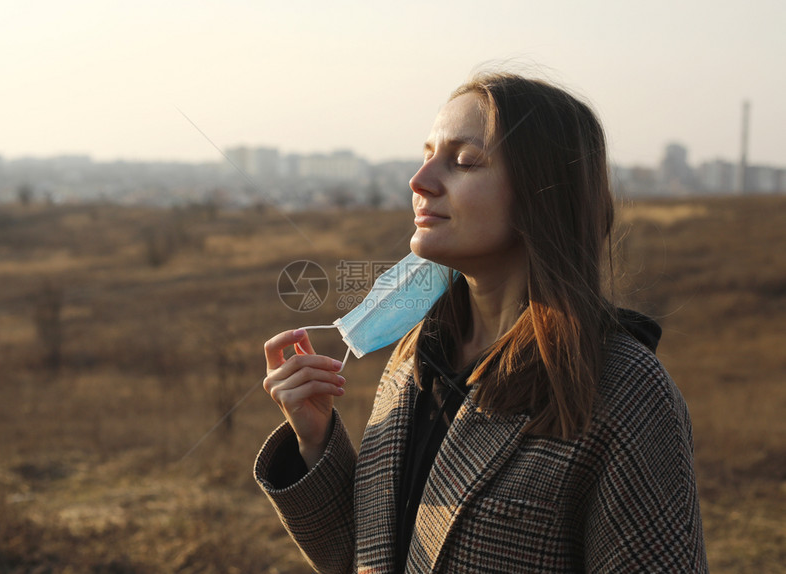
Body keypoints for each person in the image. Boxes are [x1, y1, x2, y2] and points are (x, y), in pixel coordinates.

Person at [255, 71, 709, 573]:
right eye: (427, 154)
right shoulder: (415, 359)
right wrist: (315, 439)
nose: (420, 180)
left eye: (464, 161)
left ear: (543, 193)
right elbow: (365, 560)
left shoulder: (624, 393)